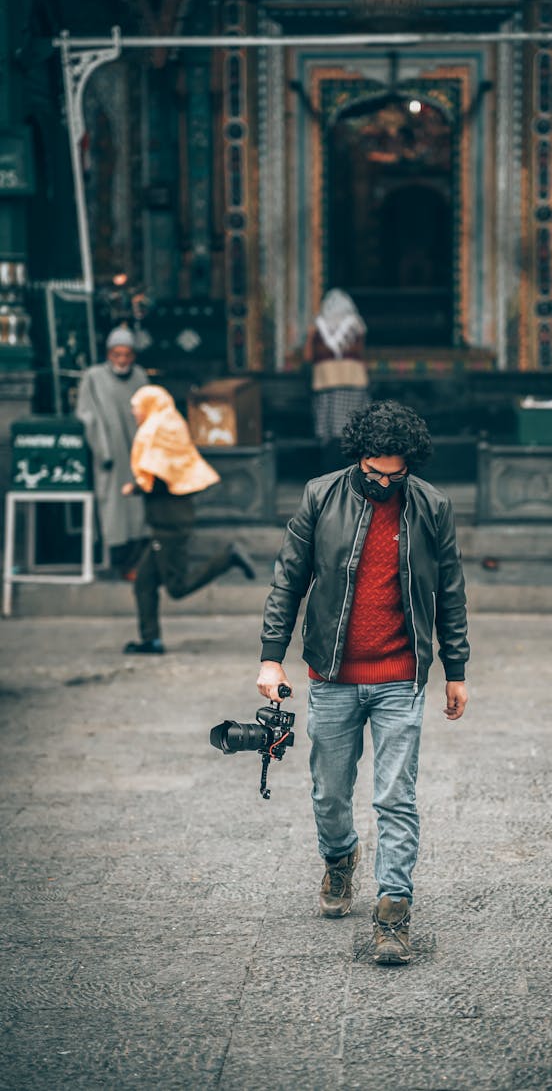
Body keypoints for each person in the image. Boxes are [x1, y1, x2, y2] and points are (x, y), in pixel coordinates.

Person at [256, 400, 469, 966]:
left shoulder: (431, 506)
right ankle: (339, 856)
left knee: (396, 796)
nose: (382, 481)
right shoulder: (321, 495)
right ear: (358, 458)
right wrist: (270, 658)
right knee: (329, 792)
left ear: (410, 466)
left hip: (401, 674)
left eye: (394, 473)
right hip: (333, 675)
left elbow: (449, 591)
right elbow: (288, 580)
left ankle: (393, 909)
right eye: (373, 471)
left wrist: (457, 670)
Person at [121, 385, 256, 655]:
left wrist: (135, 487)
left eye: (137, 407)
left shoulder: (159, 430)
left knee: (177, 588)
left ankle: (228, 557)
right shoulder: (169, 424)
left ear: (149, 405)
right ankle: (151, 640)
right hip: (170, 520)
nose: (135, 412)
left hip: (168, 525)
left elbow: (160, 478)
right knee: (144, 582)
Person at [75, 325, 149, 577]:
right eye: (117, 354)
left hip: (138, 454)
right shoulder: (94, 377)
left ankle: (136, 562)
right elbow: (88, 414)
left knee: (138, 510)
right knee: (113, 508)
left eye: (126, 355)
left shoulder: (139, 377)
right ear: (108, 354)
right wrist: (102, 450)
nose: (122, 360)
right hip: (110, 454)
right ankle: (116, 562)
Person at [303, 288, 369, 474]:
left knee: (328, 429)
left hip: (326, 382)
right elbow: (361, 354)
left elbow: (308, 356)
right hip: (353, 380)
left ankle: (330, 471)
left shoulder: (317, 326)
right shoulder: (356, 324)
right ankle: (354, 470)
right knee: (352, 426)